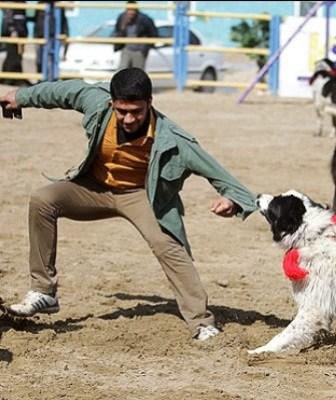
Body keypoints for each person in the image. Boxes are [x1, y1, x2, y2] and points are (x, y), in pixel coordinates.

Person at [0, 68, 256, 341]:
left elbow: (228, 181)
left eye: (137, 111)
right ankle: (43, 291)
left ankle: (202, 323)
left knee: (167, 246)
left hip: (140, 195)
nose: (129, 118)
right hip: (94, 187)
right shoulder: (95, 102)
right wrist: (21, 96)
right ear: (112, 103)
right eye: (122, 111)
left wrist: (230, 200)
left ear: (150, 103)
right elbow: (62, 92)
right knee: (43, 200)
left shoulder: (175, 140)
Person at [112, 0, 158, 70]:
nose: (131, 12)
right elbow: (117, 31)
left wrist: (148, 44)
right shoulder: (122, 17)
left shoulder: (144, 19)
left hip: (139, 50)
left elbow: (153, 32)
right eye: (129, 10)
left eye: (133, 10)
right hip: (126, 49)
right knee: (123, 71)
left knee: (137, 73)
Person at [32, 1, 70, 74]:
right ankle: (41, 79)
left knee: (53, 60)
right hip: (42, 35)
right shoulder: (41, 4)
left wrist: (66, 35)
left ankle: (51, 78)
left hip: (54, 36)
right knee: (40, 59)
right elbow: (36, 20)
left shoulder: (58, 6)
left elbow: (63, 21)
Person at [0, 1, 29, 86]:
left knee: (17, 53)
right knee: (13, 53)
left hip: (20, 28)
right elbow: (9, 11)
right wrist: (12, 29)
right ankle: (10, 78)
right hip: (14, 28)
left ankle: (13, 76)